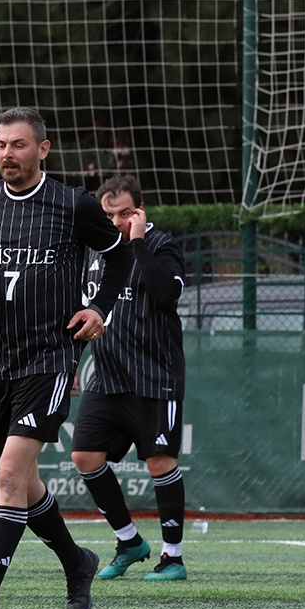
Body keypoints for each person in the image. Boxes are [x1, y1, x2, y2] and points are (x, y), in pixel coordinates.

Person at [0, 106, 133, 609]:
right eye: (1, 144)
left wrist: (99, 310)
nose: (7, 153)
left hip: (50, 357)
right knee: (24, 481)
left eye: (19, 144)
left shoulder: (73, 203)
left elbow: (121, 257)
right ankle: (77, 562)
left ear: (43, 149)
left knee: (8, 475)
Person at [71, 174, 189, 581]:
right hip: (107, 376)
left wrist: (137, 242)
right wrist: (72, 362)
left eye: (124, 214)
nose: (117, 222)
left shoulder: (160, 245)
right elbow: (84, 313)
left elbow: (167, 293)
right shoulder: (95, 253)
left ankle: (173, 558)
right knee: (85, 456)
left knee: (159, 462)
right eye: (109, 216)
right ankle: (129, 541)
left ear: (140, 210)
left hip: (155, 376)